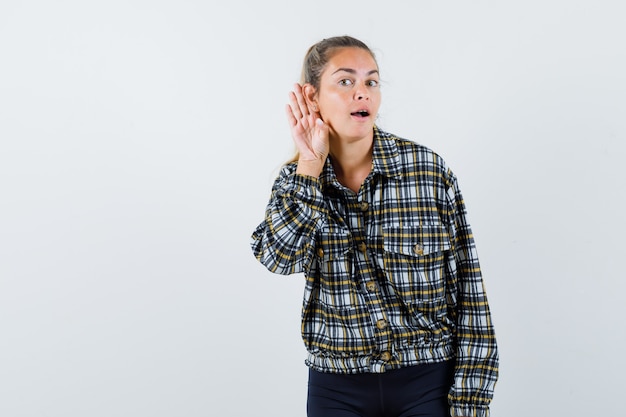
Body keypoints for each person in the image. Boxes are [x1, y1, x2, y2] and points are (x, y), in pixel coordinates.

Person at [250, 35, 498, 417]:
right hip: (336, 386)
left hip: (428, 380)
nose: (361, 93)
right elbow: (278, 259)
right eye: (345, 81)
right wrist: (311, 166)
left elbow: (469, 288)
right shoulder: (296, 180)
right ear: (312, 97)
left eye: (371, 81)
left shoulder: (427, 171)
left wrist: (470, 398)